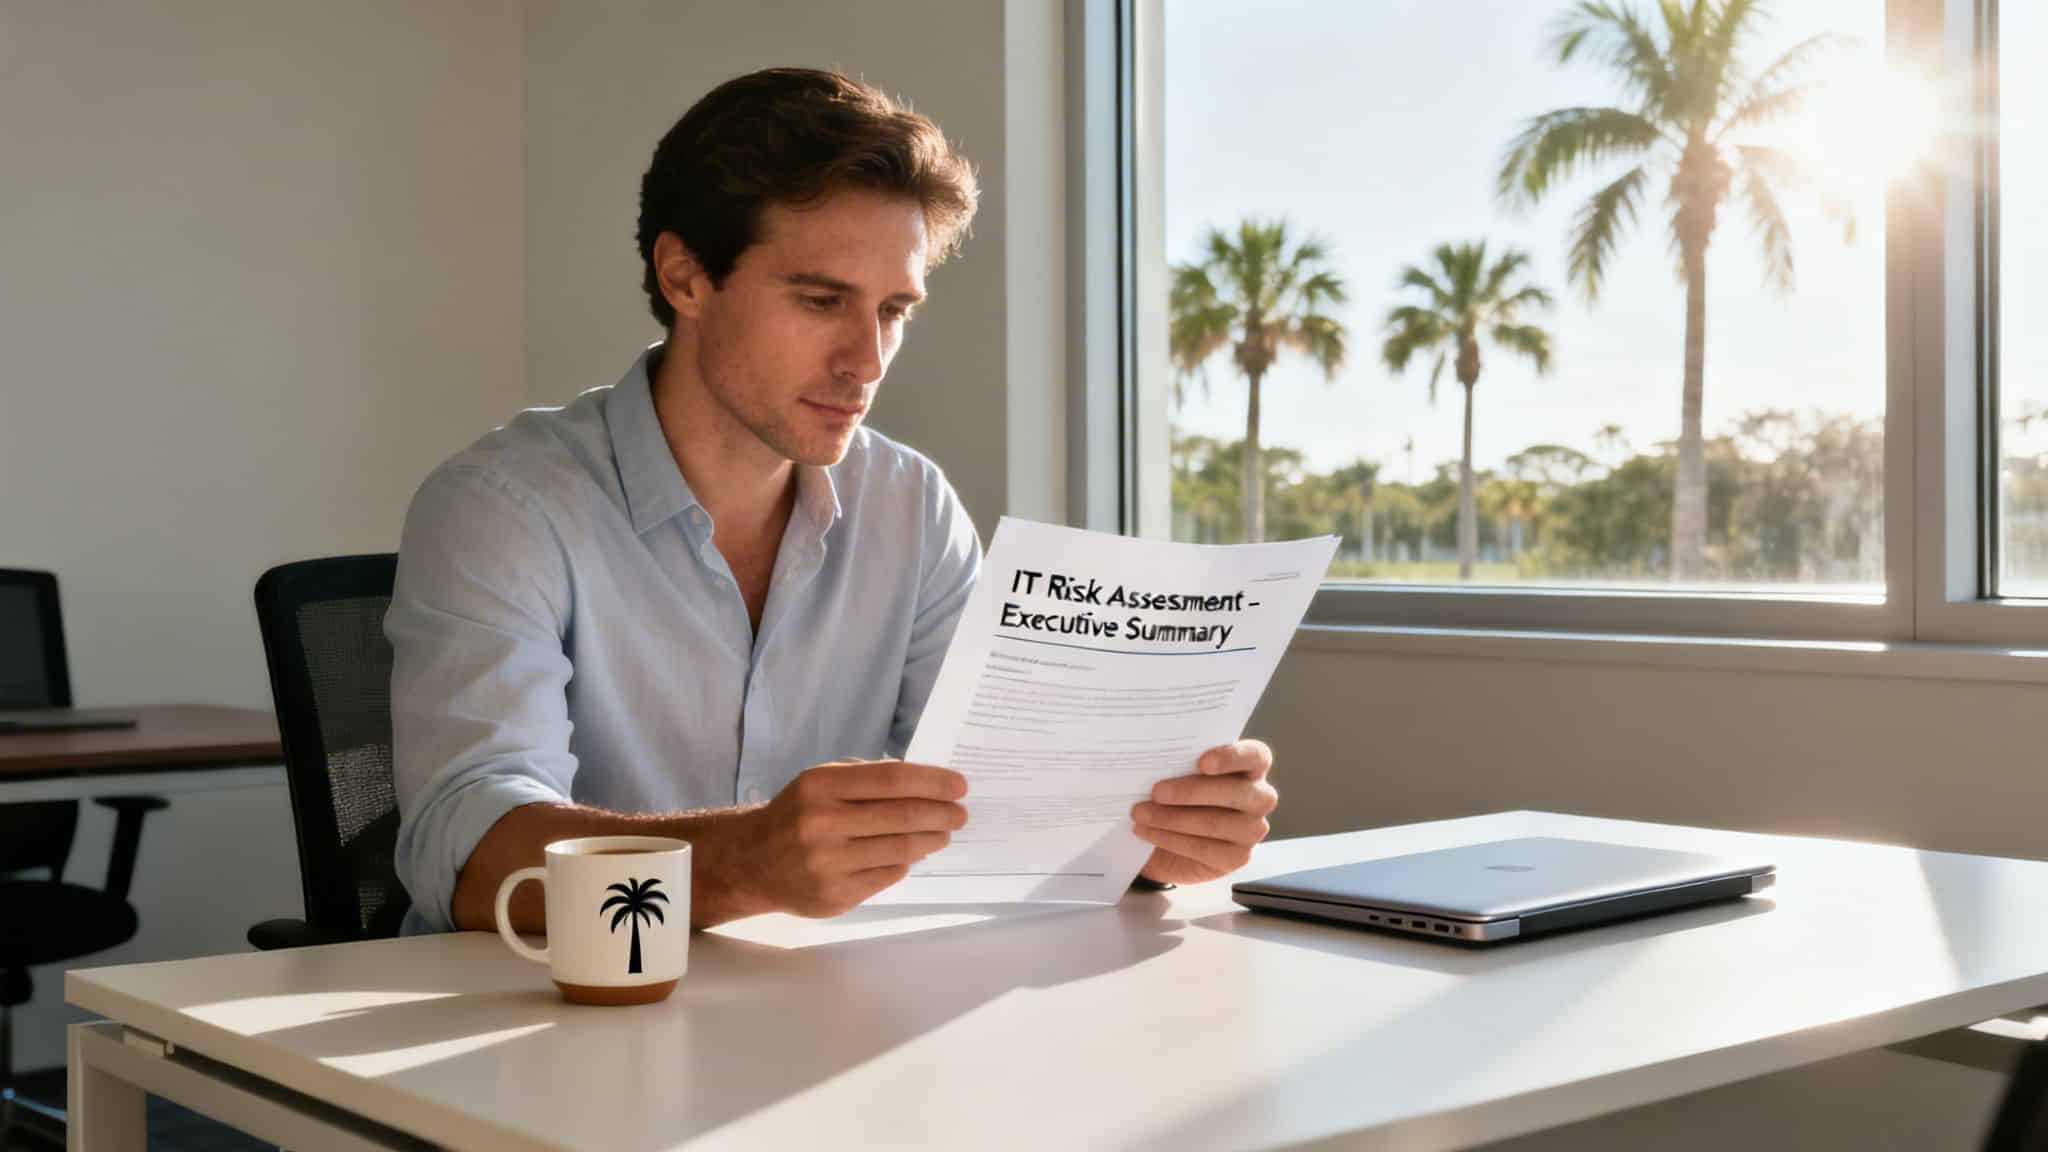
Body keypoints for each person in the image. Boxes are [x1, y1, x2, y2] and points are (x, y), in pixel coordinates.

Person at [388, 67, 1280, 936]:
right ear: (686, 277)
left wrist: (1146, 839)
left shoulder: (911, 506)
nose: (868, 359)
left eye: (894, 309)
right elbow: (467, 856)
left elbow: (1000, 800)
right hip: (526, 1026)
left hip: (806, 1015)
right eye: (822, 300)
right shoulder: (502, 506)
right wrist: (742, 861)